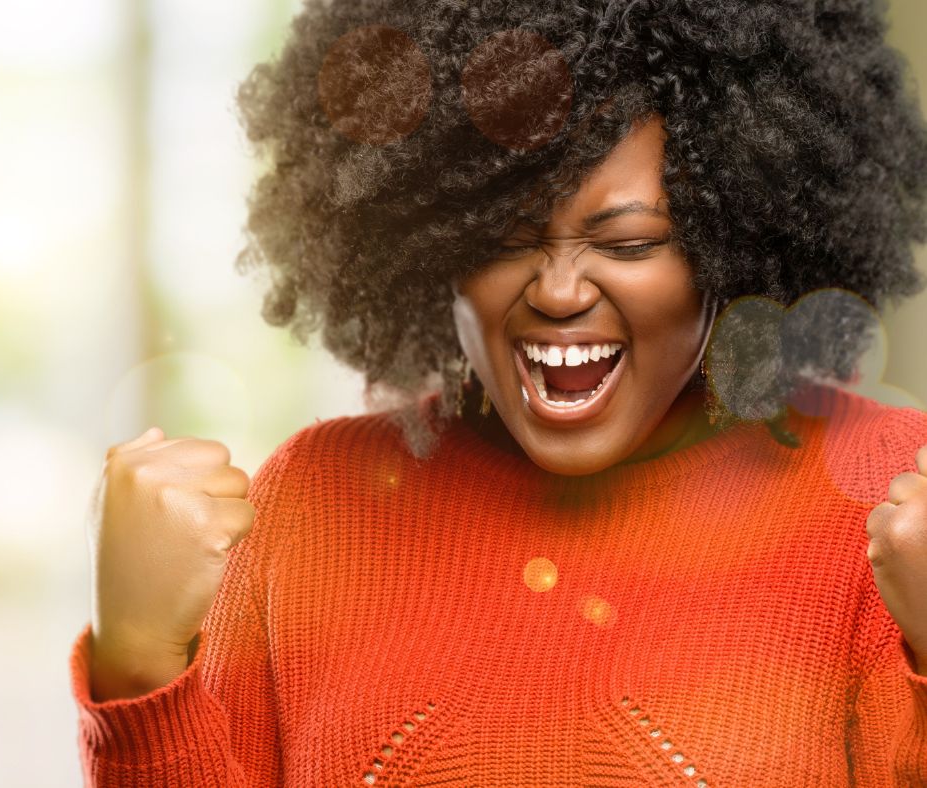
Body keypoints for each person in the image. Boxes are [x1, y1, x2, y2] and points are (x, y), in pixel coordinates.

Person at [70, 0, 927, 784]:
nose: (558, 292)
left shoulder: (887, 493)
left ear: (737, 243)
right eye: (502, 237)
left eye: (629, 244)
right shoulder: (307, 506)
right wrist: (138, 666)